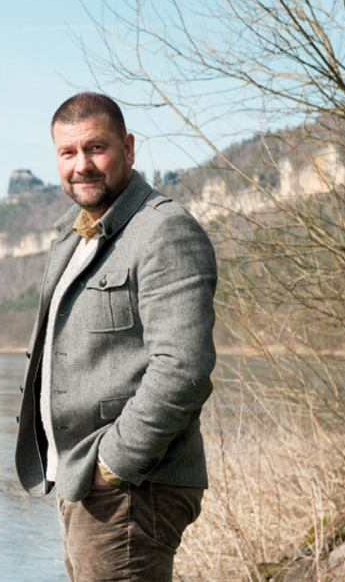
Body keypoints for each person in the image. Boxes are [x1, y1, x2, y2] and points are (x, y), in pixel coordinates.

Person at [15, 92, 217, 581]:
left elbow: (183, 368)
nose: (81, 165)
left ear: (128, 147)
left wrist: (114, 465)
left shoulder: (163, 230)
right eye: (68, 153)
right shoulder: (74, 235)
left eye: (95, 148)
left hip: (130, 486)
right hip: (84, 482)